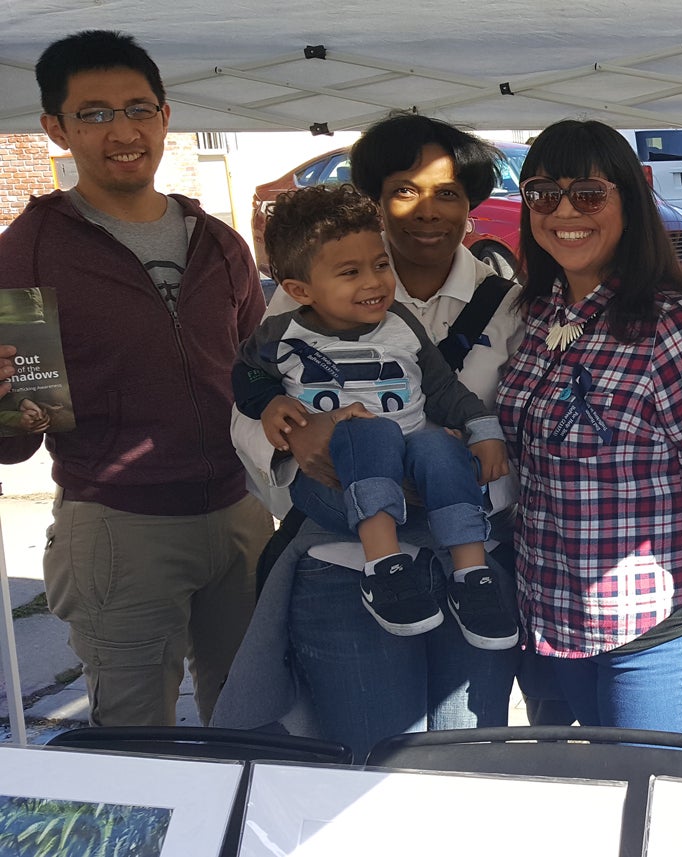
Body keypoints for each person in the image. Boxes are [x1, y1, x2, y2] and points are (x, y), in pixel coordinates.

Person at [213, 114, 552, 758]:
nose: (428, 211)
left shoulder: (510, 305)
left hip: (470, 560)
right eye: (405, 189)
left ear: (473, 202)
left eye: (447, 192)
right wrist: (296, 440)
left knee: (463, 758)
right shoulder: (304, 300)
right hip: (345, 559)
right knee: (371, 755)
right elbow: (248, 404)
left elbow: (527, 429)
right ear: (376, 198)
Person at [0, 30, 272, 727]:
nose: (122, 131)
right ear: (56, 129)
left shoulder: (220, 242)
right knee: (136, 742)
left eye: (138, 108)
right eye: (93, 114)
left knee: (252, 722)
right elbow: (17, 436)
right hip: (120, 527)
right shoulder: (27, 252)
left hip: (238, 512)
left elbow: (260, 378)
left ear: (165, 116)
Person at [495, 119, 682, 734]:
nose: (563, 211)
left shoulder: (672, 324)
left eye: (587, 193)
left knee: (652, 802)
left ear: (629, 204)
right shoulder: (537, 311)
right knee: (600, 799)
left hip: (648, 623)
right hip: (553, 613)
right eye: (543, 194)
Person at [234, 184, 516, 648]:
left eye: (380, 265)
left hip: (411, 474)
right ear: (299, 290)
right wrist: (268, 403)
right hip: (334, 483)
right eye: (350, 272)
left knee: (438, 444)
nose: (374, 282)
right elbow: (245, 374)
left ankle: (472, 577)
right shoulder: (280, 333)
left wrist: (483, 431)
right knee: (371, 431)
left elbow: (442, 387)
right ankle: (384, 568)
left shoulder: (401, 325)